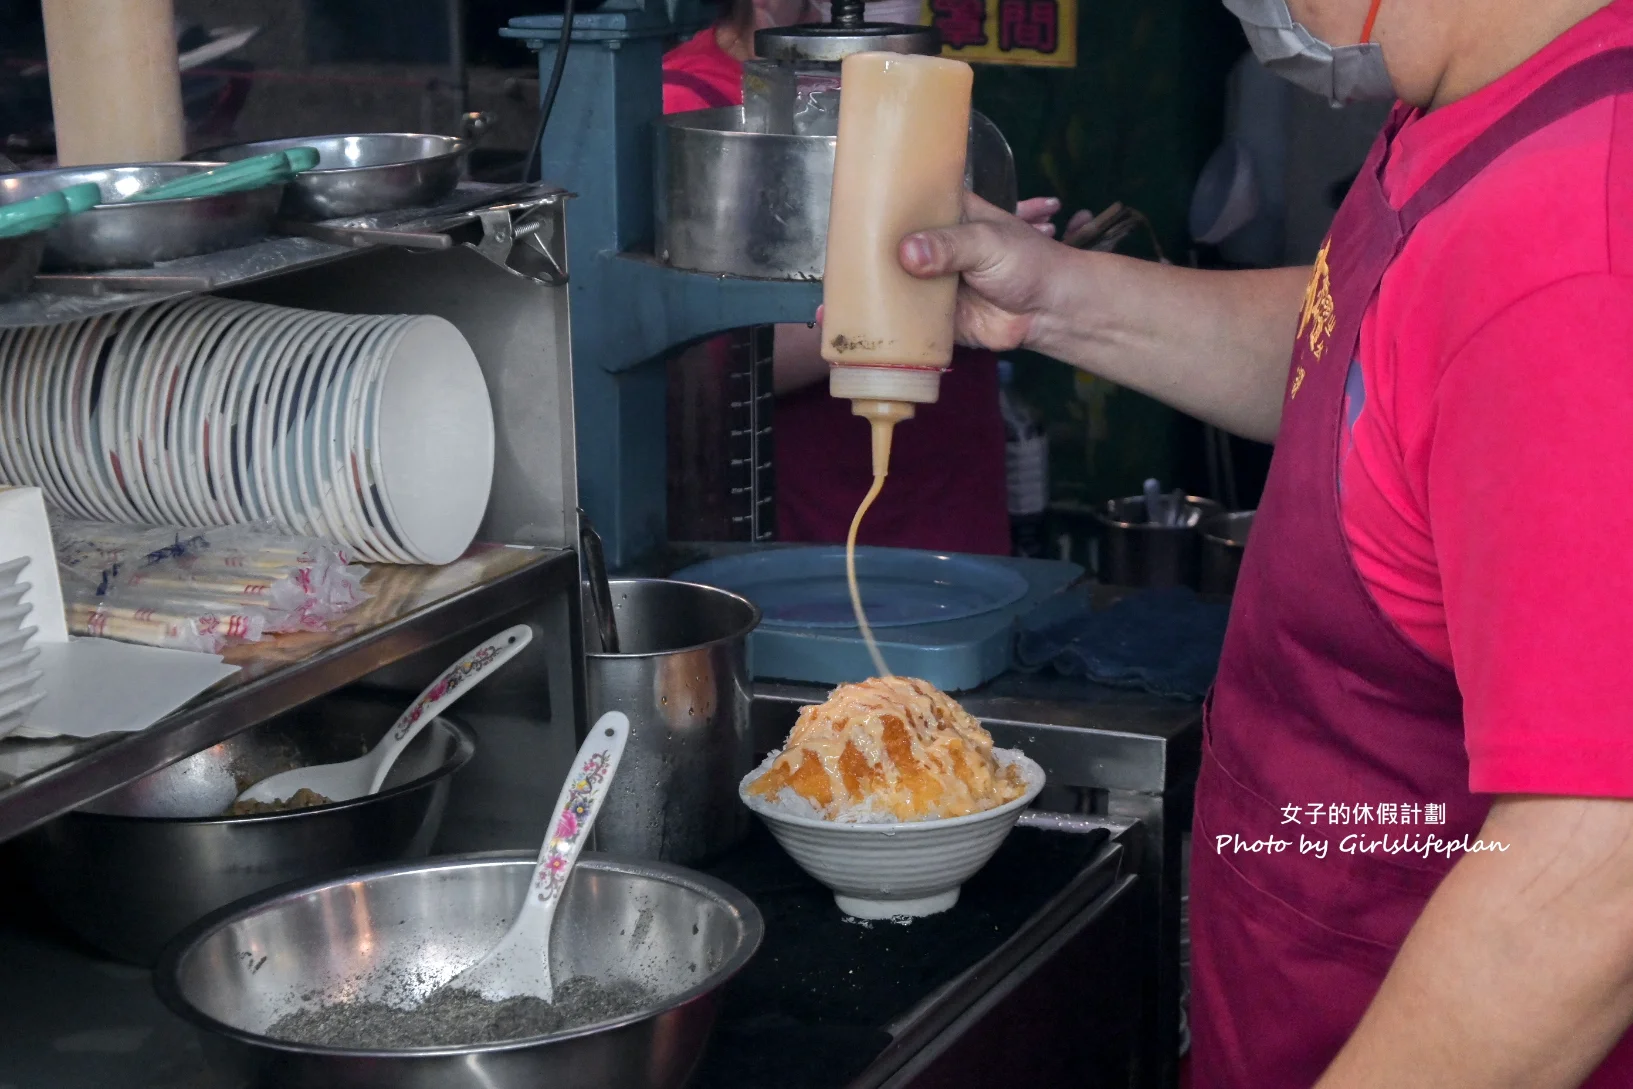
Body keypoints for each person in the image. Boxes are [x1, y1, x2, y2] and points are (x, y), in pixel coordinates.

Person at [886, 0, 1633, 1085]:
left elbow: (1596, 862)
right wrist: (1049, 299)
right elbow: (1369, 351)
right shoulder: (1472, 97)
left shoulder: (1577, 243)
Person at [662, 0, 1061, 554]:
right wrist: (929, 293)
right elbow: (708, 362)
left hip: (952, 496)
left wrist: (1032, 260)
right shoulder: (694, 108)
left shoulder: (910, 82)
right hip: (824, 518)